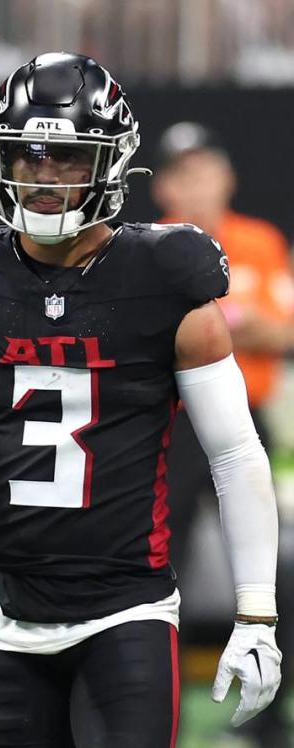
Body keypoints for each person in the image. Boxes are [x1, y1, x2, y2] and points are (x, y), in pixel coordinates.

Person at [0, 52, 282, 748]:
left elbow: (232, 452)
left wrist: (256, 612)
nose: (44, 179)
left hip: (125, 610)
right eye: (29, 155)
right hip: (1, 612)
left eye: (69, 158)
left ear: (109, 164)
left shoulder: (166, 275)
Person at [152, 121, 294, 748]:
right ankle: (161, 714)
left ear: (227, 177)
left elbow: (284, 333)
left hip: (253, 420)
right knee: (160, 568)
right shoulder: (150, 244)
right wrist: (241, 320)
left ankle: (269, 713)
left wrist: (218, 319)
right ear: (163, 185)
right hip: (174, 425)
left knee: (276, 565)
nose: (198, 184)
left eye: (207, 170)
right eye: (185, 173)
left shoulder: (258, 241)